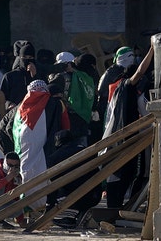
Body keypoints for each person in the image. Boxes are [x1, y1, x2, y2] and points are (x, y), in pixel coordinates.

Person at [102, 44, 154, 208]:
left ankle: (119, 209)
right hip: (122, 137)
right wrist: (151, 50)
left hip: (120, 136)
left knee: (127, 173)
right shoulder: (125, 86)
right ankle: (115, 210)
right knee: (122, 174)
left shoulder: (117, 87)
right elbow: (139, 73)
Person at [6, 80, 69, 211]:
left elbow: (7, 128)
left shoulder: (20, 107)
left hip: (22, 149)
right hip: (45, 149)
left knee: (25, 174)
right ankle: (42, 207)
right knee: (44, 176)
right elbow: (64, 126)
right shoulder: (54, 103)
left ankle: (26, 210)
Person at [46, 130, 101, 229]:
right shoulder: (87, 151)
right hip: (94, 196)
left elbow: (53, 186)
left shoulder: (54, 158)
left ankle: (66, 218)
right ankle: (80, 212)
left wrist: (49, 208)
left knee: (59, 190)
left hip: (73, 198)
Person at [1, 41, 42, 110]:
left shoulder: (39, 75)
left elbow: (43, 94)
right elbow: (2, 98)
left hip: (33, 113)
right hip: (14, 113)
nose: (28, 60)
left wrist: (34, 76)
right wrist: (9, 104)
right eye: (25, 57)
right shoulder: (10, 76)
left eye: (30, 57)